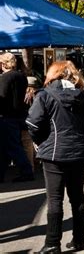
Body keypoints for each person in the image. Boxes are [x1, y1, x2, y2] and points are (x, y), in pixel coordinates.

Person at [26, 61, 84, 253]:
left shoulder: (45, 95)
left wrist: (41, 142)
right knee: (77, 197)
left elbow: (33, 124)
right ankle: (79, 239)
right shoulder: (83, 96)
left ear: (52, 74)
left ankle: (52, 243)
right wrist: (83, 139)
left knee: (55, 198)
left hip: (54, 153)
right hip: (78, 151)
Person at [0, 52, 34, 183]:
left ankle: (26, 171)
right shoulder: (21, 76)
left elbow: (2, 97)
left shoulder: (5, 77)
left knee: (13, 146)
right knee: (6, 146)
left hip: (7, 116)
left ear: (3, 63)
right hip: (20, 114)